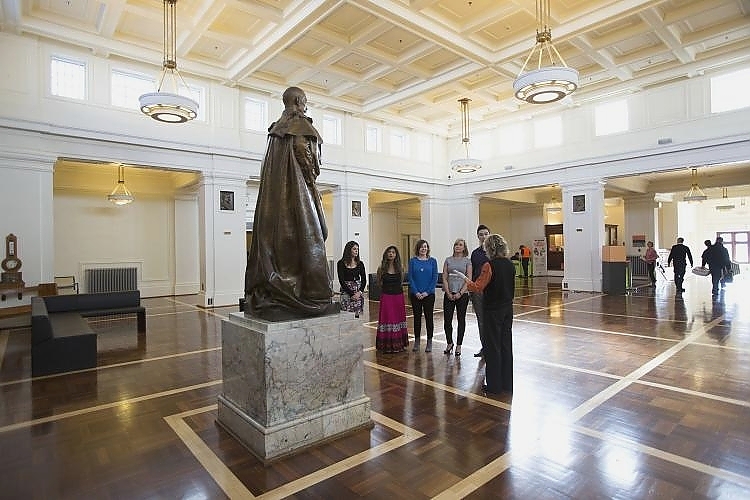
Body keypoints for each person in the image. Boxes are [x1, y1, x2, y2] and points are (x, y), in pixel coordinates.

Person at [245, 86, 337, 320]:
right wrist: (311, 181)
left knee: (283, 243)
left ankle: (283, 288)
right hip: (298, 193)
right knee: (312, 238)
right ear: (298, 101)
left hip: (277, 200)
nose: (306, 106)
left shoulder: (276, 131)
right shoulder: (299, 126)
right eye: (304, 102)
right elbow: (306, 160)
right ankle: (314, 292)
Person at [453, 234, 515, 394]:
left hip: (493, 310)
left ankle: (494, 385)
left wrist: (466, 280)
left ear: (490, 248)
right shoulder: (510, 264)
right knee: (506, 345)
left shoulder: (489, 266)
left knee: (492, 347)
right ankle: (507, 384)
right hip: (508, 309)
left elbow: (477, 287)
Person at [375, 246, 409, 353]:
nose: (391, 254)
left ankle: (399, 344)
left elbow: (401, 281)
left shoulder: (401, 268)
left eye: (393, 252)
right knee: (388, 319)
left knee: (398, 320)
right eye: (389, 252)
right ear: (386, 254)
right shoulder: (381, 268)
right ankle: (386, 345)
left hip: (398, 297)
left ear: (396, 255)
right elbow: (379, 282)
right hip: (386, 297)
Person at [442, 239, 472, 357]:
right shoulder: (448, 260)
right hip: (449, 293)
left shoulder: (467, 261)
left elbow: (468, 279)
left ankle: (459, 345)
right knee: (447, 320)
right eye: (456, 244)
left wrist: (460, 293)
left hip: (462, 295)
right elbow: (444, 277)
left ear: (464, 248)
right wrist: (448, 292)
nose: (457, 246)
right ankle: (449, 343)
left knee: (461, 320)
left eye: (460, 245)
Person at [408, 240, 439, 352]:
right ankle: (417, 341)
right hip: (415, 295)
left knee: (429, 317)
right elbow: (410, 278)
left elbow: (434, 278)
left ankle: (429, 341)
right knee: (417, 318)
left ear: (427, 248)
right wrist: (416, 292)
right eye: (421, 247)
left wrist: (427, 292)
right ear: (418, 248)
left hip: (429, 295)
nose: (423, 249)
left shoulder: (432, 261)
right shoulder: (412, 261)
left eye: (425, 247)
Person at [470, 225, 490, 357]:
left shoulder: (493, 252)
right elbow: (473, 274)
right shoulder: (475, 253)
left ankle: (492, 347)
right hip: (478, 292)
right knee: (481, 320)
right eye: (481, 234)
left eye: (486, 234)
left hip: (491, 291)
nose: (483, 236)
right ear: (478, 236)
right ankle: (485, 348)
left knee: (491, 320)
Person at [337, 241, 366, 318]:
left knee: (357, 316)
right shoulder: (341, 263)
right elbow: (341, 280)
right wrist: (351, 294)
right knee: (346, 315)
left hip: (358, 291)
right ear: (349, 250)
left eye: (357, 249)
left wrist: (359, 292)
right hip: (346, 292)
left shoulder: (360, 263)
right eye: (354, 249)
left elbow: (364, 280)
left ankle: (357, 329)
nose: (356, 251)